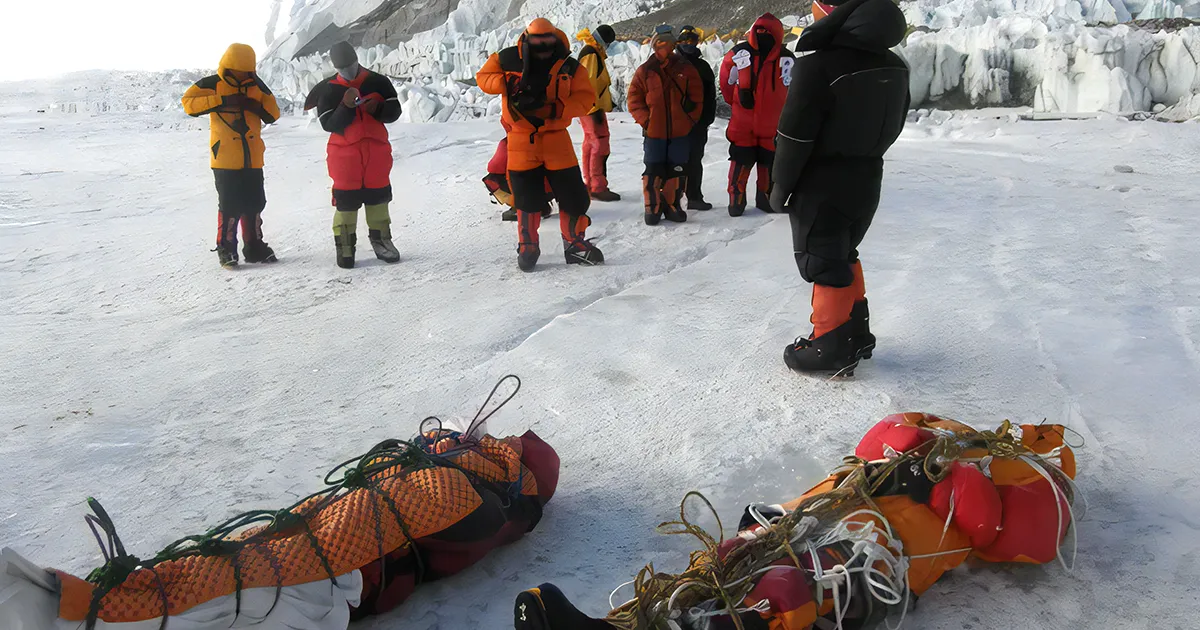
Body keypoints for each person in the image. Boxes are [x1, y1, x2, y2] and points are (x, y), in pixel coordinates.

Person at [770, 0, 910, 374]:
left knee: (823, 258)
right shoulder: (896, 66)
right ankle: (856, 333)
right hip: (868, 176)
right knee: (845, 250)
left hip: (822, 180)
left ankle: (829, 345)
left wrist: (780, 187)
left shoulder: (817, 65)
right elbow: (896, 123)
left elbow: (793, 136)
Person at [477, 18, 603, 272]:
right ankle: (529, 249)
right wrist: (507, 83)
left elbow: (586, 98)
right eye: (538, 41)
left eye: (547, 40)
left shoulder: (569, 65)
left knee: (573, 196)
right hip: (522, 139)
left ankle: (571, 245)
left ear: (555, 38)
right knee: (526, 198)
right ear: (528, 38)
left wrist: (555, 108)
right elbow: (483, 78)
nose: (543, 45)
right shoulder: (508, 59)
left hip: (556, 138)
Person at [182, 43, 281, 269]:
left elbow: (273, 114)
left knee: (255, 203)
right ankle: (226, 249)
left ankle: (254, 247)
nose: (242, 75)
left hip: (253, 158)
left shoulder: (257, 86)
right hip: (225, 158)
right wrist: (222, 101)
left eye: (246, 71)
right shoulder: (212, 84)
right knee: (230, 205)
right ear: (228, 67)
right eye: (239, 71)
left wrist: (254, 105)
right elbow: (188, 103)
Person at [307, 41, 402, 269]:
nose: (347, 71)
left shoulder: (378, 82)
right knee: (346, 203)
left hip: (376, 153)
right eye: (342, 67)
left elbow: (395, 111)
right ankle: (345, 247)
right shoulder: (328, 90)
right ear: (336, 67)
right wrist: (346, 106)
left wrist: (378, 109)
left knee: (378, 199)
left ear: (356, 59)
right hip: (344, 156)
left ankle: (382, 241)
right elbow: (328, 124)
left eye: (349, 65)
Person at [719, 13, 794, 217]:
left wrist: (735, 104)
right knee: (766, 164)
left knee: (743, 163)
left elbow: (726, 83)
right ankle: (765, 199)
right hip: (772, 123)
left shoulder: (737, 53)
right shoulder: (786, 57)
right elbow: (794, 89)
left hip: (747, 123)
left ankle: (737, 202)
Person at [628, 25, 704, 226]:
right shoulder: (645, 71)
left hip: (678, 132)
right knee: (654, 169)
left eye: (667, 42)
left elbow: (697, 98)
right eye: (660, 42)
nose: (664, 46)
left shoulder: (686, 69)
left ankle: (670, 206)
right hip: (655, 132)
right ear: (654, 44)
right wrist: (647, 120)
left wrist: (688, 121)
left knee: (676, 170)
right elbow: (634, 99)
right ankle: (654, 208)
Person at [576, 25, 621, 202]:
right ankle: (598, 186)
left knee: (590, 143)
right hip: (591, 108)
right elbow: (589, 81)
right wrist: (593, 107)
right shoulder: (591, 54)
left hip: (588, 106)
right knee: (600, 143)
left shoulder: (591, 51)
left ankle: (589, 184)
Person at [675, 26, 717, 211]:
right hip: (678, 123)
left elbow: (710, 96)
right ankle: (676, 198)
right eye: (685, 41)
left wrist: (706, 119)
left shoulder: (702, 67)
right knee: (678, 161)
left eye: (692, 40)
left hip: (696, 123)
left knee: (692, 160)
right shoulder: (673, 65)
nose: (689, 44)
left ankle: (692, 197)